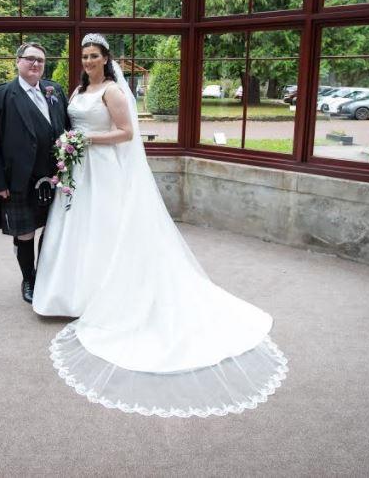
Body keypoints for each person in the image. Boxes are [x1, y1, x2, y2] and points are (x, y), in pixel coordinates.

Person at [32, 34, 288, 418]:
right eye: (84, 56)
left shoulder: (114, 91)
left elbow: (127, 133)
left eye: (94, 56)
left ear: (106, 58)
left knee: (105, 231)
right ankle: (72, 293)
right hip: (80, 172)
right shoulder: (78, 89)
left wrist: (86, 138)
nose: (88, 61)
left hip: (103, 170)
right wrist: (73, 144)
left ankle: (103, 296)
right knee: (77, 230)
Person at [0, 42, 70, 304]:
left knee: (53, 229)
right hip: (19, 178)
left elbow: (66, 129)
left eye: (40, 60)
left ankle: (45, 275)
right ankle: (29, 279)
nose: (35, 64)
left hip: (55, 176)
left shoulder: (55, 90)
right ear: (18, 61)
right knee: (25, 232)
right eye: (30, 59)